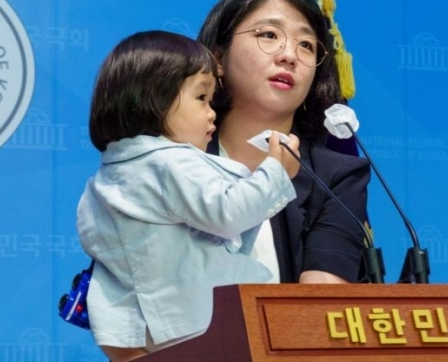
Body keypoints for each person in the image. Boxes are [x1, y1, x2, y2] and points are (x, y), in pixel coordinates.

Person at [76, 30, 300, 361]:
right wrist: (275, 170)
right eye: (201, 98)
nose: (212, 113)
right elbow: (228, 214)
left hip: (138, 331)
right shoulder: (170, 161)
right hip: (188, 325)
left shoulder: (111, 173)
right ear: (156, 98)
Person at [198, 0, 373, 284]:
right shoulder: (179, 160)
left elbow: (318, 311)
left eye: (306, 45)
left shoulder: (336, 178)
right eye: (268, 35)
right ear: (219, 58)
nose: (289, 55)